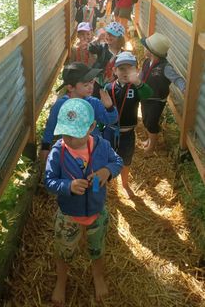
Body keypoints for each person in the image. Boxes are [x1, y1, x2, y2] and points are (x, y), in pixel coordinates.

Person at [44, 98, 123, 305]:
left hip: (97, 212)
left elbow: (117, 161)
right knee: (63, 250)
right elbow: (49, 181)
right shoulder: (57, 152)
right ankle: (61, 281)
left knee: (97, 249)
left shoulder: (102, 146)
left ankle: (98, 276)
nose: (69, 139)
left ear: (92, 127)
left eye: (76, 133)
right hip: (69, 215)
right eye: (66, 133)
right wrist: (67, 187)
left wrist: (107, 171)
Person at [40, 62, 118, 159]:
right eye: (86, 85)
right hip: (69, 150)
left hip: (92, 150)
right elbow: (51, 126)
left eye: (92, 82)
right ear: (70, 87)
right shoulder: (61, 105)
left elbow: (110, 120)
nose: (91, 87)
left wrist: (109, 107)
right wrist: (45, 146)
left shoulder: (94, 103)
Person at [103, 52, 153, 198]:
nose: (125, 72)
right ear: (114, 71)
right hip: (110, 130)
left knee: (126, 159)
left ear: (136, 70)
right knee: (107, 156)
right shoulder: (108, 88)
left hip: (128, 132)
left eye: (129, 68)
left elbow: (148, 94)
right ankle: (108, 181)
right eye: (121, 68)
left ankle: (124, 183)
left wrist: (138, 82)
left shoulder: (137, 88)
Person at [140, 33, 186, 155]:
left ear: (152, 52)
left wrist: (183, 88)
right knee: (145, 120)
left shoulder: (165, 67)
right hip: (145, 97)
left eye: (146, 47)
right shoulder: (146, 62)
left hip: (156, 100)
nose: (144, 49)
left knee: (151, 123)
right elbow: (142, 76)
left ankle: (151, 147)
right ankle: (149, 140)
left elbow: (177, 78)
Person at [89, 21, 126, 90]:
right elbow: (91, 48)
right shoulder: (103, 47)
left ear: (119, 38)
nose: (108, 36)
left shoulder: (122, 54)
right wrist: (98, 39)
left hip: (112, 84)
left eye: (112, 35)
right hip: (98, 80)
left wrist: (115, 76)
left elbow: (123, 69)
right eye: (107, 34)